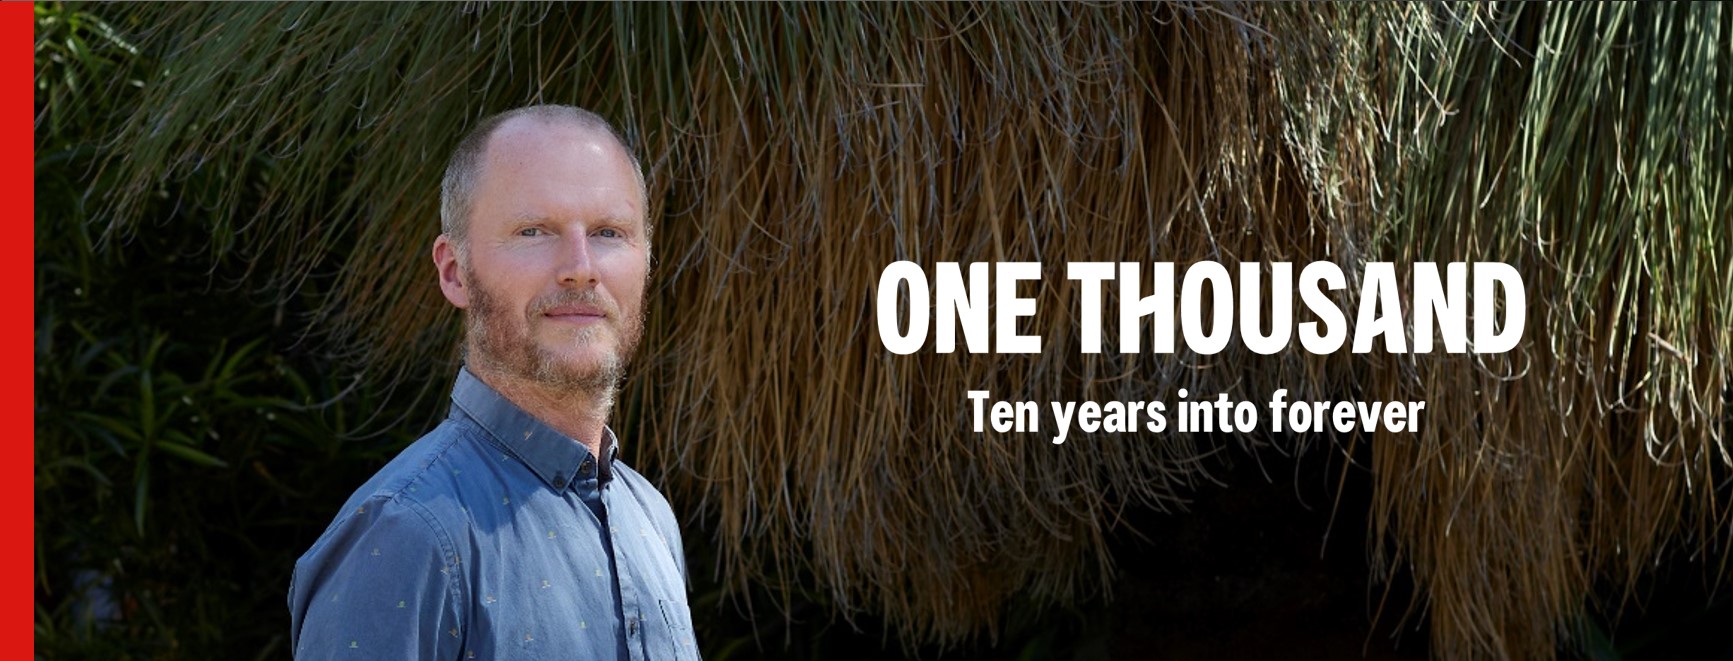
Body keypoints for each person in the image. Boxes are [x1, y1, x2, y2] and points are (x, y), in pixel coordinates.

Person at [288, 105, 698, 660]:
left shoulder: (648, 516)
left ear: (645, 262)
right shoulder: (404, 535)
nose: (581, 267)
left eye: (608, 232)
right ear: (454, 270)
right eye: (534, 231)